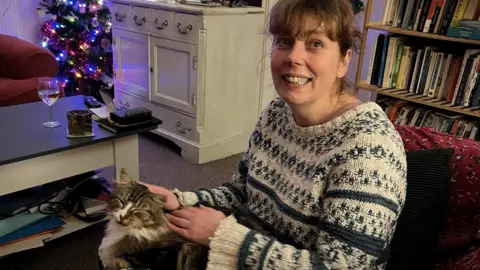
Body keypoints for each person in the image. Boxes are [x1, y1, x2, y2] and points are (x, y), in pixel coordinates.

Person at [143, 0, 407, 268]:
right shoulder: (276, 114)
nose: (294, 56)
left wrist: (224, 236)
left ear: (344, 60)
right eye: (285, 41)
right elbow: (240, 193)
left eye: (315, 44)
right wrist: (182, 200)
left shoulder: (369, 152)